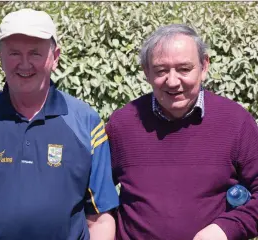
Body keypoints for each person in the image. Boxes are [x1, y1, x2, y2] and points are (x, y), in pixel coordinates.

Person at [0, 8, 119, 240]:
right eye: (14, 53)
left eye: (35, 53)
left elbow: (100, 218)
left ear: (55, 57)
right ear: (0, 57)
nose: (24, 64)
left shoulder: (85, 121)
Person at [107, 24, 258, 240]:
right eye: (161, 70)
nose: (172, 81)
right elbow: (95, 197)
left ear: (204, 66)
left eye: (184, 69)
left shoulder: (235, 122)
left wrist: (226, 228)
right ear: (146, 72)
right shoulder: (122, 124)